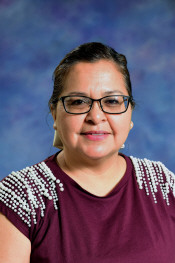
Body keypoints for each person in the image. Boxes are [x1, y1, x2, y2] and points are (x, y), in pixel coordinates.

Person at [0, 42, 174, 263]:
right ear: (55, 114)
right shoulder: (20, 196)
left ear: (129, 112)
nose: (96, 116)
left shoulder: (162, 183)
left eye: (111, 101)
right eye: (78, 102)